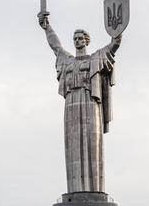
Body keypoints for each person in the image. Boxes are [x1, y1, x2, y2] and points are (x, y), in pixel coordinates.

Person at [38, 12, 122, 194]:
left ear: (86, 41)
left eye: (80, 38)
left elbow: (113, 46)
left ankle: (95, 190)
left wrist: (117, 32)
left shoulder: (96, 58)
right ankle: (75, 190)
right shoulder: (67, 61)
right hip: (71, 103)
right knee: (73, 145)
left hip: (91, 102)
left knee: (92, 143)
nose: (77, 41)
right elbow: (55, 46)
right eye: (75, 39)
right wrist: (47, 28)